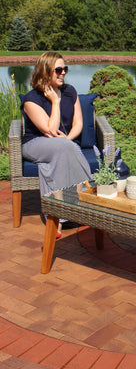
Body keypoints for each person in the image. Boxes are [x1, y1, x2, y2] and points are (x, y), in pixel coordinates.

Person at [21, 52, 92, 238]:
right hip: (36, 143)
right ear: (45, 72)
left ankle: (57, 217)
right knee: (64, 148)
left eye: (65, 69)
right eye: (58, 70)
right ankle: (88, 194)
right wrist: (55, 101)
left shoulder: (71, 91)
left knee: (57, 156)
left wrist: (67, 141)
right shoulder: (31, 99)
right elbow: (50, 130)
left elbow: (79, 124)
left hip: (63, 145)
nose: (63, 73)